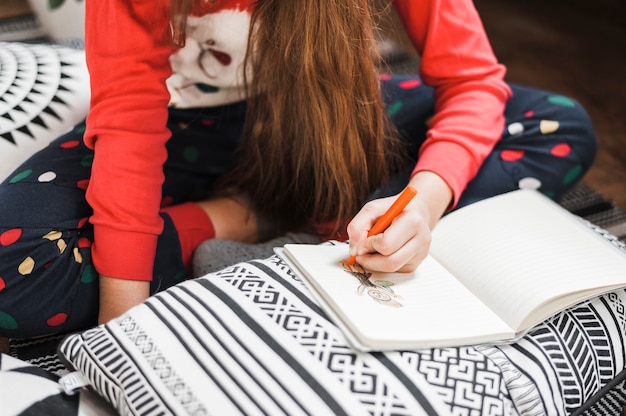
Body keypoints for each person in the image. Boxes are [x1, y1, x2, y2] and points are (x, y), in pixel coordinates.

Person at [0, 0, 596, 339]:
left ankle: (332, 222)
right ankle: (258, 219)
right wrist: (124, 334)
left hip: (330, 124)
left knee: (555, 126)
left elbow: (471, 81)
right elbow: (130, 128)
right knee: (13, 265)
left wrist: (422, 200)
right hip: (182, 128)